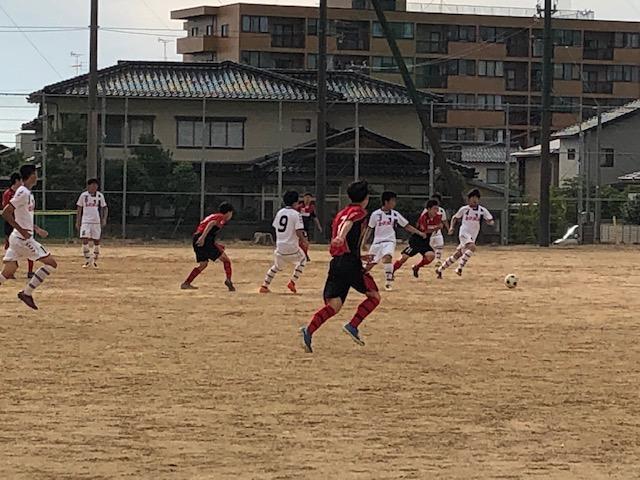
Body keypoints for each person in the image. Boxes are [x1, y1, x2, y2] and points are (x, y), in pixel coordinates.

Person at [300, 180, 381, 353]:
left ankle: (309, 330)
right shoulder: (359, 212)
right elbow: (349, 224)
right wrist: (341, 237)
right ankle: (353, 325)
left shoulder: (341, 213)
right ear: (365, 198)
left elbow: (345, 234)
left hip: (338, 262)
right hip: (350, 264)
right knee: (374, 296)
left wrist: (358, 254)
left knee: (334, 305)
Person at [0, 164, 58, 310]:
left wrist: (36, 229)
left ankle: (26, 293)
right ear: (31, 176)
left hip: (18, 237)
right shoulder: (23, 192)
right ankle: (27, 293)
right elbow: (6, 212)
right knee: (51, 263)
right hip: (22, 239)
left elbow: (24, 217)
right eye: (36, 174)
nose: (37, 177)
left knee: (9, 270)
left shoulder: (28, 193)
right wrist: (22, 231)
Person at [362, 191, 426, 291]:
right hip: (377, 242)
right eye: (393, 201)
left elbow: (406, 226)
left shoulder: (395, 214)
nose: (394, 203)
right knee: (368, 265)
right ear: (386, 202)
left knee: (387, 257)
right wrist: (364, 242)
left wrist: (419, 233)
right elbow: (370, 228)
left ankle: (388, 282)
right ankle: (358, 278)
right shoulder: (375, 214)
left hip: (389, 241)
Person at [436, 189, 494, 278]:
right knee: (472, 247)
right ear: (468, 199)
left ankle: (440, 270)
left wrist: (490, 222)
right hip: (464, 232)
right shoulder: (464, 209)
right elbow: (455, 217)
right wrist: (451, 227)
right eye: (472, 198)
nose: (474, 200)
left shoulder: (482, 210)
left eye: (476, 198)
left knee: (458, 254)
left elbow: (490, 219)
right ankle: (459, 268)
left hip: (473, 235)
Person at [260, 190, 308, 294]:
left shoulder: (280, 212)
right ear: (295, 202)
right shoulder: (296, 214)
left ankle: (264, 286)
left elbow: (275, 226)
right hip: (292, 247)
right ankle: (292, 282)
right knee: (303, 260)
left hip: (280, 246)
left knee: (276, 266)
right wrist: (304, 240)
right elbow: (298, 231)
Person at [181, 202, 235, 291]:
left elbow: (209, 230)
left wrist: (214, 244)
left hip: (197, 239)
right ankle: (228, 280)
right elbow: (211, 224)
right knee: (226, 260)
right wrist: (203, 238)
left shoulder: (214, 215)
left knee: (203, 264)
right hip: (203, 239)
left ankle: (186, 283)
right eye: (231, 213)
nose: (231, 216)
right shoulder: (221, 217)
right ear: (228, 212)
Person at [393, 199, 443, 278]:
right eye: (434, 209)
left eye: (437, 209)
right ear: (428, 209)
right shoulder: (423, 217)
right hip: (415, 241)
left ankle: (416, 267)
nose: (436, 211)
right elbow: (425, 231)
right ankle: (391, 271)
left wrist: (438, 227)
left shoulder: (438, 217)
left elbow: (438, 225)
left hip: (425, 242)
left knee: (431, 256)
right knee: (404, 258)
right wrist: (436, 228)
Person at [2, 172, 34, 278]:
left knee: (30, 245)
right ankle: (10, 270)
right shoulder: (8, 193)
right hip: (11, 223)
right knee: (10, 247)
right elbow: (7, 209)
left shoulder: (23, 193)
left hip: (21, 222)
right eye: (21, 180)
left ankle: (30, 271)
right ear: (16, 181)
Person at [76, 178, 108, 268]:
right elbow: (79, 208)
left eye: (96, 185)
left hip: (96, 221)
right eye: (92, 185)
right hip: (85, 221)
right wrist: (78, 221)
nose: (94, 187)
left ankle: (94, 260)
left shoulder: (100, 196)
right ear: (88, 186)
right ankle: (88, 259)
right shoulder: (83, 196)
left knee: (96, 240)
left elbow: (105, 207)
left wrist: (104, 219)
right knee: (84, 238)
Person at [299, 193, 322, 261]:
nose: (307, 199)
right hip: (298, 228)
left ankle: (305, 254)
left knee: (305, 242)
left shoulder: (311, 208)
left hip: (306, 228)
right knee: (299, 242)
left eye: (309, 198)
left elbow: (315, 218)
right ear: (303, 198)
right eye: (306, 197)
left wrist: (319, 226)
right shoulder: (299, 206)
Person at [429, 192, 450, 267]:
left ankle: (438, 260)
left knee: (440, 244)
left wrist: (448, 229)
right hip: (429, 232)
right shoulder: (427, 210)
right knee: (429, 248)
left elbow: (444, 221)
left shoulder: (441, 210)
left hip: (438, 232)